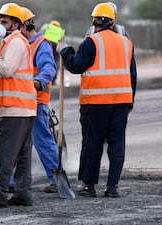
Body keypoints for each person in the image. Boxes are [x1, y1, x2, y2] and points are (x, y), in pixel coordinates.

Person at [57, 2, 137, 198]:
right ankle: (112, 187)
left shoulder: (91, 42)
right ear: (112, 22)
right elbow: (132, 74)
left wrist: (65, 50)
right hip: (121, 102)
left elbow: (76, 66)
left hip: (96, 103)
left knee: (93, 144)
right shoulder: (126, 43)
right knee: (117, 144)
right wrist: (130, 101)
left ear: (94, 21)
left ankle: (89, 185)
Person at [0, 2, 37, 207]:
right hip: (19, 108)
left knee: (6, 152)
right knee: (22, 153)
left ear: (15, 24)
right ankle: (23, 194)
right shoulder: (6, 42)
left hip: (15, 108)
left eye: (3, 21)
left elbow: (6, 70)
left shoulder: (16, 42)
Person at [18, 7, 59, 193]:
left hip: (35, 101)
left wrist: (38, 82)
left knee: (42, 140)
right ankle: (14, 180)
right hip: (18, 103)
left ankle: (56, 178)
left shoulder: (41, 44)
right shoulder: (18, 43)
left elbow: (49, 68)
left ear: (24, 25)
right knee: (16, 143)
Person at [40, 19, 65, 85]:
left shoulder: (47, 26)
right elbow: (62, 40)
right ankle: (53, 79)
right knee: (55, 62)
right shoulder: (61, 30)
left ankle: (44, 78)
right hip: (56, 46)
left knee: (46, 60)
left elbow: (40, 34)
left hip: (47, 44)